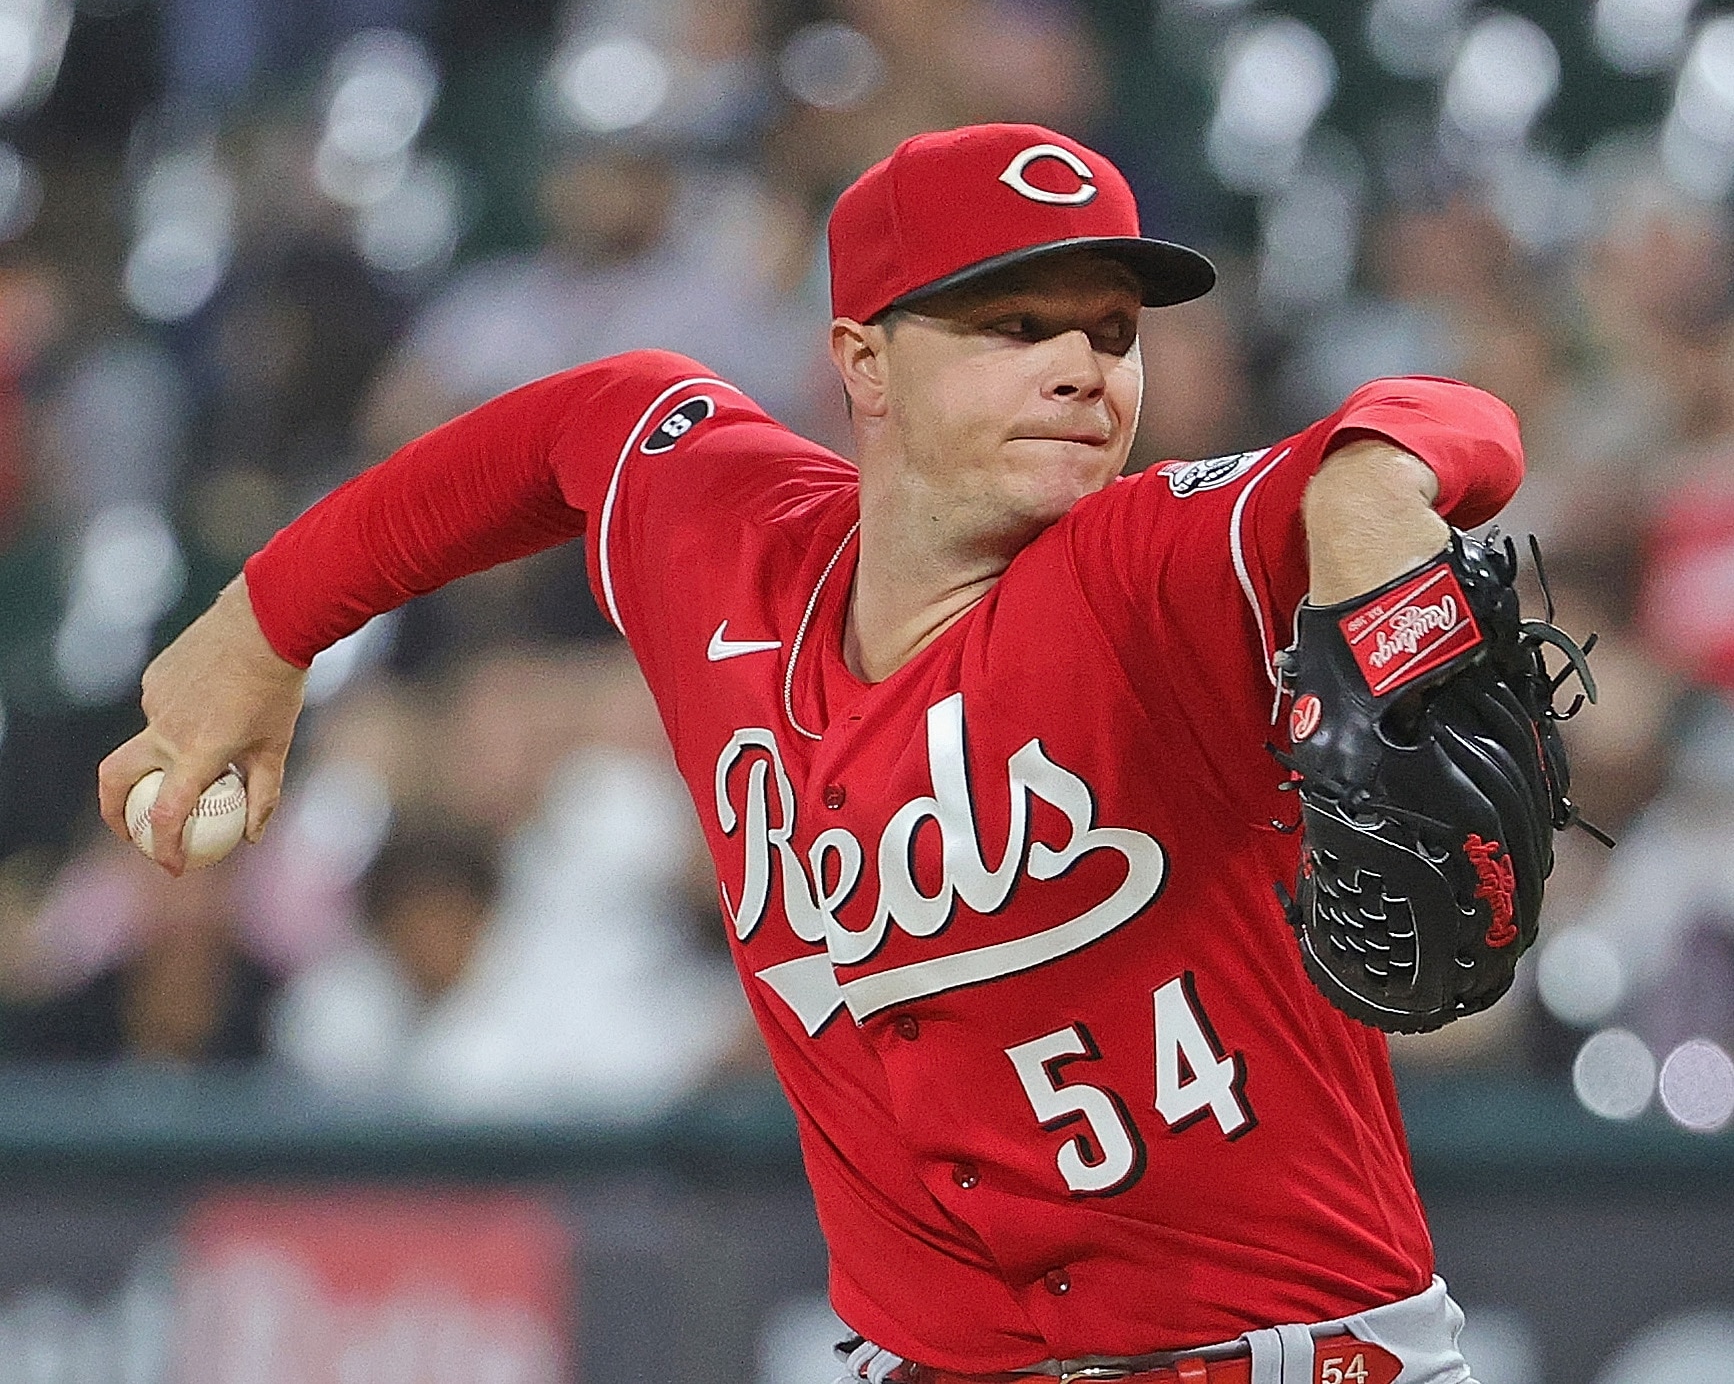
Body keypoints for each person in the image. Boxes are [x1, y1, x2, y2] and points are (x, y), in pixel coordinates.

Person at [100, 124, 1526, 1381]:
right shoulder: (730, 544)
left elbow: (1436, 425)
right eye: (1010, 325)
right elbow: (569, 427)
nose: (1080, 370)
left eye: (1107, 332)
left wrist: (1363, 500)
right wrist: (262, 625)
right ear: (863, 364)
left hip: (1284, 1358)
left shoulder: (1152, 563)